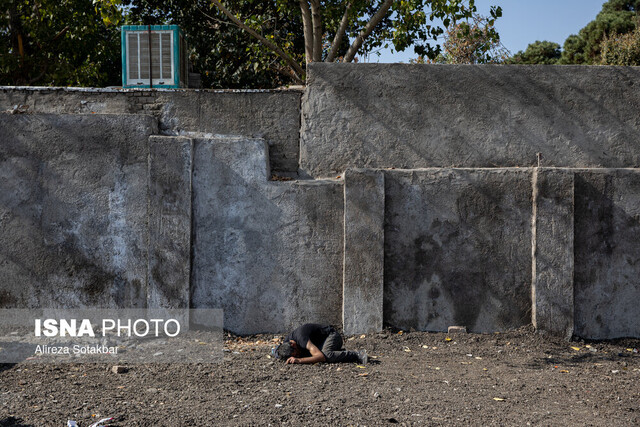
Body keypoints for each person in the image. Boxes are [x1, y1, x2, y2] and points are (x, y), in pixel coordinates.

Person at [275, 323, 367, 364]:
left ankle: (357, 354)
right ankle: (338, 353)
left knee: (327, 355)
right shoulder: (286, 343)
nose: (297, 355)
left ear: (293, 345)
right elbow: (275, 351)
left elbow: (320, 357)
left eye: (297, 353)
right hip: (318, 344)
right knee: (311, 356)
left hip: (332, 336)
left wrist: (299, 360)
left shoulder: (302, 339)